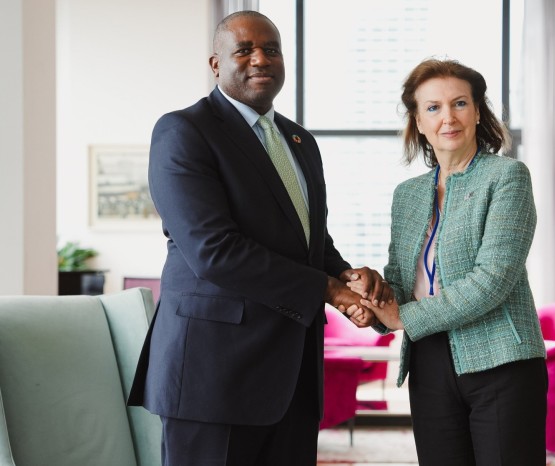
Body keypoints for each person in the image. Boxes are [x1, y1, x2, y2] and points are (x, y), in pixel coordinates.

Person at [127, 11, 387, 466]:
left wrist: (344, 273)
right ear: (215, 64)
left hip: (293, 374)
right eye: (244, 49)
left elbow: (309, 239)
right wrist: (328, 289)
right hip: (214, 375)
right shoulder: (184, 132)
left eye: (271, 49)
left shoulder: (299, 140)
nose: (260, 59)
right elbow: (214, 251)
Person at [356, 58, 548, 465]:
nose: (448, 117)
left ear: (478, 112)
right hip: (429, 362)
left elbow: (491, 281)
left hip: (501, 359)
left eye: (459, 103)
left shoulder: (508, 177)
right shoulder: (406, 195)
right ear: (418, 121)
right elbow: (400, 280)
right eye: (433, 107)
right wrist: (369, 300)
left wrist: (402, 318)